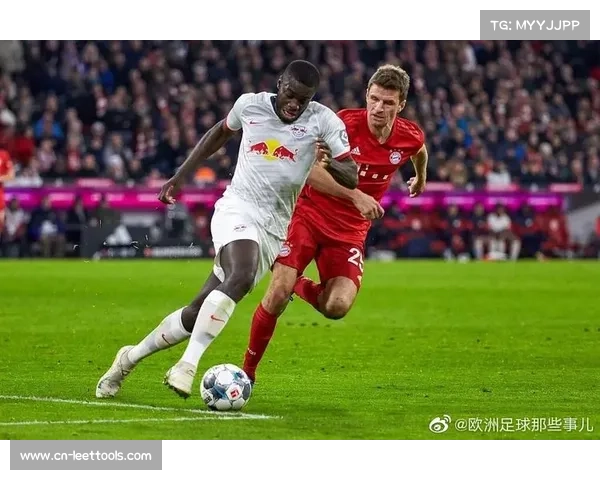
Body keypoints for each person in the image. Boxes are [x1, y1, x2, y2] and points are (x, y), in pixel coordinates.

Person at [96, 60, 358, 399]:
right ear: (280, 83)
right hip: (237, 207)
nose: (295, 104)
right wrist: (181, 176)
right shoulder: (250, 105)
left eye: (303, 100)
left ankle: (128, 359)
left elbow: (352, 175)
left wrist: (329, 161)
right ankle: (187, 365)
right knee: (242, 275)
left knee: (196, 313)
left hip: (274, 229)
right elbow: (219, 133)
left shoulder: (324, 121)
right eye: (291, 95)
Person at [242, 64, 428, 382]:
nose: (378, 108)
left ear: (401, 105)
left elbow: (419, 150)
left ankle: (296, 283)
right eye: (374, 99)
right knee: (277, 293)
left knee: (337, 306)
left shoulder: (408, 136)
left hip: (350, 232)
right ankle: (247, 373)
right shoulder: (342, 124)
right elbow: (306, 170)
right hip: (308, 214)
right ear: (366, 96)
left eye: (387, 102)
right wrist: (356, 196)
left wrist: (420, 179)